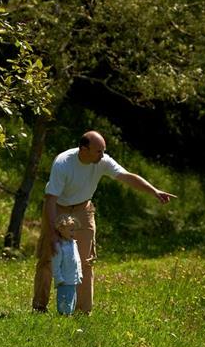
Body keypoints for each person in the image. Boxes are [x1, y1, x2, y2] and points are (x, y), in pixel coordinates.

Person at [32, 130, 176, 314]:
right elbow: (50, 199)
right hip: (59, 208)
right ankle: (39, 307)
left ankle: (82, 312)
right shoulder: (63, 163)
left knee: (85, 260)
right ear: (83, 149)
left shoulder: (103, 161)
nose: (103, 155)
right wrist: (52, 233)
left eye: (103, 150)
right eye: (98, 151)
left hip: (84, 209)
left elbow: (127, 176)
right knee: (48, 257)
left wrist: (154, 190)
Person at [52, 214, 82, 316]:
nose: (74, 233)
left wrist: (79, 274)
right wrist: (59, 279)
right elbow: (55, 265)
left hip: (73, 279)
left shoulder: (74, 243)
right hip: (64, 281)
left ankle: (69, 315)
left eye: (74, 230)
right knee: (64, 300)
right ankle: (63, 316)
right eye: (71, 230)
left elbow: (77, 261)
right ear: (61, 229)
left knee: (72, 299)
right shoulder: (59, 246)